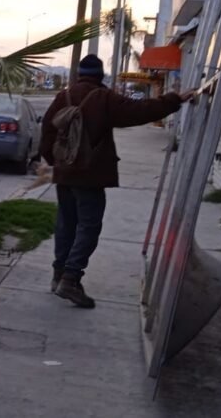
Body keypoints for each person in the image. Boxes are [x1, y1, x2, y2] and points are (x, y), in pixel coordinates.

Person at [40, 54, 194, 309]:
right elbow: (140, 111)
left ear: (80, 74)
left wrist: (58, 162)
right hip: (90, 175)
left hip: (65, 173)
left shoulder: (63, 96)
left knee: (66, 224)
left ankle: (58, 275)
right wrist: (174, 99)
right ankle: (71, 278)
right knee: (89, 226)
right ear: (100, 75)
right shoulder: (103, 98)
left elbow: (47, 132)